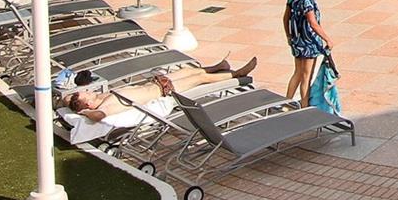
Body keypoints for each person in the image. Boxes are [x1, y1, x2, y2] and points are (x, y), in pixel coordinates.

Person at [64, 58, 258, 121]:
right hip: (163, 91)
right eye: (86, 94)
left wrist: (68, 102)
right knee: (199, 78)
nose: (89, 91)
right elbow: (98, 116)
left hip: (157, 82)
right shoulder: (106, 105)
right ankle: (238, 75)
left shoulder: (103, 96)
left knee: (187, 70)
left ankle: (218, 67)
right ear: (88, 103)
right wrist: (84, 112)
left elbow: (67, 102)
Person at [283, 0, 332, 107]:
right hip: (309, 44)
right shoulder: (306, 2)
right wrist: (327, 39)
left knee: (297, 73)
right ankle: (304, 106)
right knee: (306, 76)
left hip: (297, 42)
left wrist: (289, 36)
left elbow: (285, 18)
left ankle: (286, 102)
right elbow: (313, 23)